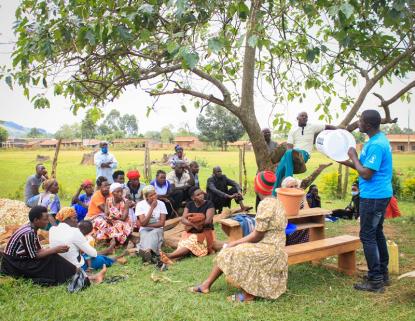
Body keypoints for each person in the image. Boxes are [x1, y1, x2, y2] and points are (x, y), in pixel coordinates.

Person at [189, 171, 287, 302]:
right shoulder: (277, 201)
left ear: (257, 186)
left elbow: (257, 236)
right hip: (276, 246)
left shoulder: (265, 204)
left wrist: (235, 243)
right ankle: (205, 285)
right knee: (230, 249)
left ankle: (247, 295)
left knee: (235, 250)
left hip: (270, 249)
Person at [339, 109, 392, 293]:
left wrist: (353, 155)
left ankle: (376, 281)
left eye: (360, 120)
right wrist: (342, 159)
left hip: (374, 196)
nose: (358, 123)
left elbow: (367, 174)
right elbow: (362, 166)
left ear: (367, 124)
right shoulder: (375, 141)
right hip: (379, 194)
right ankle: (382, 275)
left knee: (367, 235)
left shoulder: (377, 145)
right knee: (376, 232)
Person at [0, 206, 76, 286]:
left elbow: (38, 250)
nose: (47, 222)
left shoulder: (31, 228)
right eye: (45, 220)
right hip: (13, 265)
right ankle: (74, 273)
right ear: (36, 220)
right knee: (51, 257)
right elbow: (34, 256)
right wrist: (54, 250)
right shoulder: (29, 233)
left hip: (17, 261)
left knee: (51, 256)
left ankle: (74, 273)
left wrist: (53, 250)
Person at [273, 111, 337, 188]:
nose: (304, 117)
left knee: (286, 158)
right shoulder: (293, 130)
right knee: (279, 170)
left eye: (306, 116)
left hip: (304, 154)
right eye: (302, 116)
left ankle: (289, 181)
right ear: (297, 118)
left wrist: (339, 129)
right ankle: (274, 194)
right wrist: (284, 160)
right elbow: (289, 147)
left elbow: (327, 126)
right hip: (292, 153)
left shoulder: (312, 126)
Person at [49, 207, 107, 283]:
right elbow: (93, 253)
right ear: (67, 219)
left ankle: (113, 257)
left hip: (60, 267)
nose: (77, 221)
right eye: (75, 218)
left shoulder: (52, 229)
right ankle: (113, 259)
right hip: (76, 266)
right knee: (101, 259)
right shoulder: (74, 231)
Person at [160, 186, 215, 263]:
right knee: (184, 245)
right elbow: (183, 219)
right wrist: (194, 225)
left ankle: (169, 255)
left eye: (201, 193)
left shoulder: (209, 204)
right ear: (193, 198)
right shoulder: (189, 204)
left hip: (205, 233)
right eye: (198, 194)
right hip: (191, 232)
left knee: (190, 244)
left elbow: (208, 221)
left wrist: (197, 223)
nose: (201, 195)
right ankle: (170, 258)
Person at [136, 186, 167, 261]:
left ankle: (146, 251)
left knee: (154, 233)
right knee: (144, 234)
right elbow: (143, 222)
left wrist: (147, 225)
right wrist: (152, 208)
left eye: (155, 194)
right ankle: (149, 252)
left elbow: (162, 223)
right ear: (146, 197)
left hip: (157, 228)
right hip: (144, 229)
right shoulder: (140, 205)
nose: (154, 196)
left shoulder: (161, 204)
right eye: (151, 195)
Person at [281, 176, 310, 245]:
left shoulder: (299, 199)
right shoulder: (283, 198)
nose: (294, 188)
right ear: (285, 189)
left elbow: (308, 213)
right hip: (289, 229)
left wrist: (304, 197)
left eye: (296, 186)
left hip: (301, 226)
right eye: (291, 187)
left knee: (310, 227)